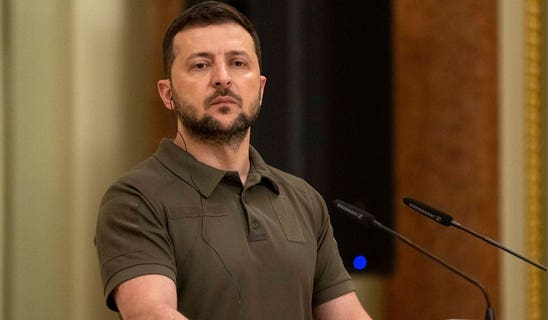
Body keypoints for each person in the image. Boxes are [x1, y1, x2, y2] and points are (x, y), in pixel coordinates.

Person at [94, 1, 371, 319]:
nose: (222, 78)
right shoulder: (135, 199)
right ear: (167, 94)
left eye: (238, 63)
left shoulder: (304, 199)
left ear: (261, 88)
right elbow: (152, 313)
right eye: (200, 65)